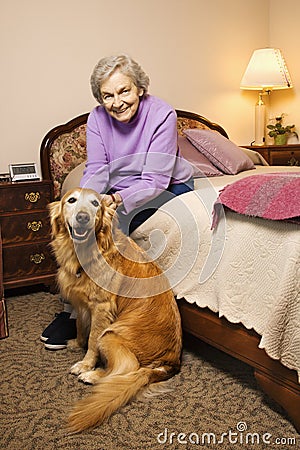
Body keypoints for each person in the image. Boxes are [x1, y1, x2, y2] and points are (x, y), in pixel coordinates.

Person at [41, 54, 194, 350]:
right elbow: (97, 169)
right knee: (83, 226)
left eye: (124, 91)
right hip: (117, 188)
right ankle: (72, 307)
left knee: (113, 229)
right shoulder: (97, 118)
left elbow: (154, 181)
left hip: (165, 186)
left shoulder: (163, 114)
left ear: (139, 88)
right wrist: (87, 203)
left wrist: (115, 201)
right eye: (107, 95)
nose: (117, 102)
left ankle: (94, 305)